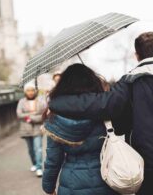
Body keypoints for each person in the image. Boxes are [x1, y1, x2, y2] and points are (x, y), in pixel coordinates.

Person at [48, 32, 153, 195]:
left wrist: (56, 102)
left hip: (143, 169)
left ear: (136, 55)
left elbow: (104, 108)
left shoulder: (129, 83)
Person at [42, 64, 119, 195]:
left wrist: (48, 188)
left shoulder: (55, 116)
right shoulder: (105, 110)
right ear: (93, 82)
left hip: (71, 183)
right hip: (107, 178)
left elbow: (53, 160)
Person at [16, 83, 46, 177]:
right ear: (25, 91)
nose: (30, 92)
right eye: (28, 90)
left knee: (38, 149)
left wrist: (30, 117)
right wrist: (33, 114)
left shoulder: (40, 101)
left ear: (35, 91)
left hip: (38, 128)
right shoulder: (21, 101)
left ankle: (39, 167)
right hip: (26, 128)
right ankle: (34, 163)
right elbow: (19, 114)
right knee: (31, 149)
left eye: (32, 90)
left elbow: (43, 115)